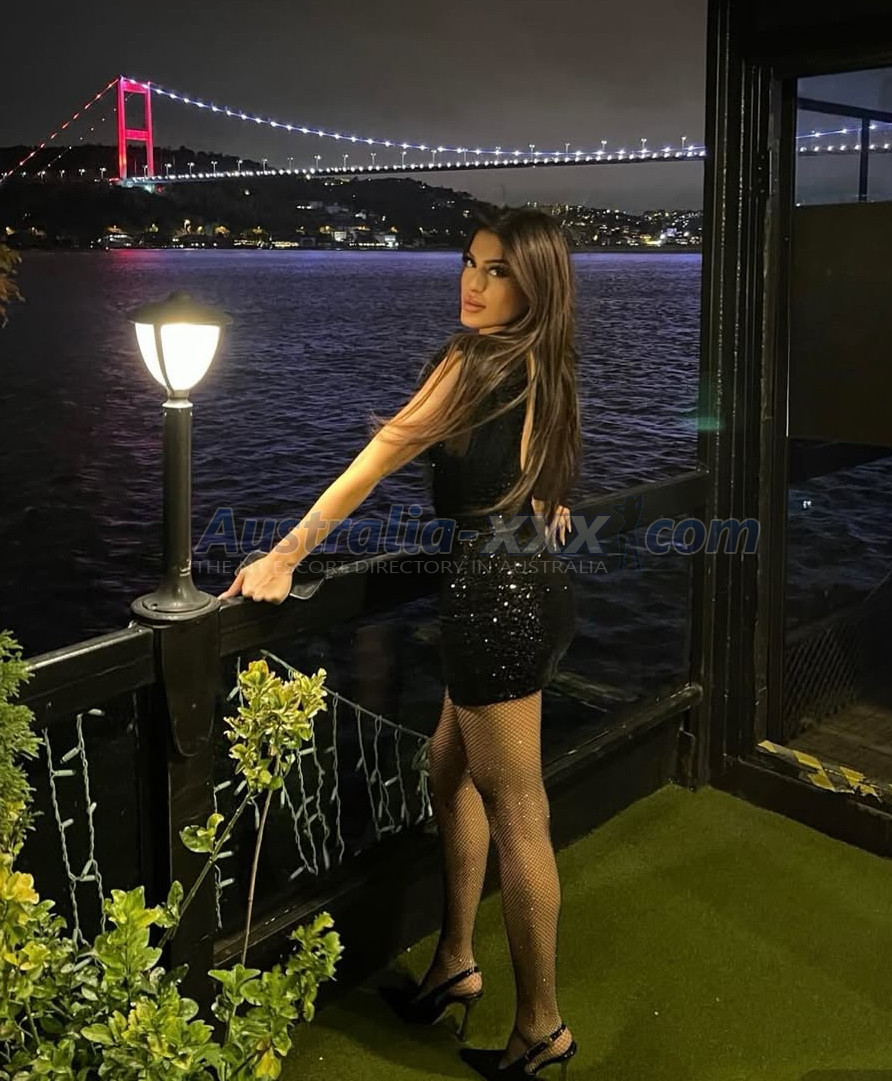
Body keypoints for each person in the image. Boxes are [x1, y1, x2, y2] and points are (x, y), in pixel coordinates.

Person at [219, 205, 582, 1079]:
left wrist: (285, 552)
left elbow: (376, 457)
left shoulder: (471, 359)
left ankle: (542, 1028)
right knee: (447, 769)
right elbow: (537, 482)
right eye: (470, 262)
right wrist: (545, 504)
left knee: (519, 813)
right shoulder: (546, 360)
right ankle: (455, 960)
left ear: (533, 283)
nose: (473, 281)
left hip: (490, 598)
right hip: (534, 584)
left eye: (497, 270)